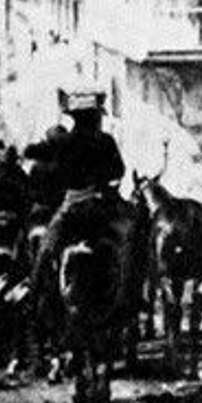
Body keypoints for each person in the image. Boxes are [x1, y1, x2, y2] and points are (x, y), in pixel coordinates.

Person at [27, 88, 128, 313]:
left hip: (72, 207)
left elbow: (37, 156)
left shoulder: (64, 142)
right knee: (128, 244)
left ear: (76, 119)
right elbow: (119, 170)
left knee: (45, 250)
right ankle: (131, 298)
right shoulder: (106, 140)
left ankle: (33, 301)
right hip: (102, 208)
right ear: (94, 117)